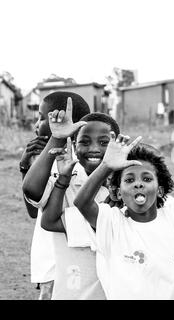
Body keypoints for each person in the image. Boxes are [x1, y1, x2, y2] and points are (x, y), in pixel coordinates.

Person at [73, 137, 174, 299]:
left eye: (146, 179)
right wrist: (106, 166)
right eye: (129, 180)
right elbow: (82, 203)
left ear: (160, 190)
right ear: (118, 192)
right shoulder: (112, 222)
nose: (138, 184)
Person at [24, 97, 118, 299]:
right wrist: (56, 138)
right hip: (70, 282)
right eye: (84, 142)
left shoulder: (125, 187)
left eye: (104, 142)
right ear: (74, 143)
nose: (94, 148)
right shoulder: (66, 173)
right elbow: (31, 191)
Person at [21, 92, 90, 300]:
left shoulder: (81, 161)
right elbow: (34, 211)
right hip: (49, 262)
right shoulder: (43, 161)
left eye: (42, 117)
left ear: (68, 120)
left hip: (70, 262)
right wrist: (26, 166)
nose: (37, 124)